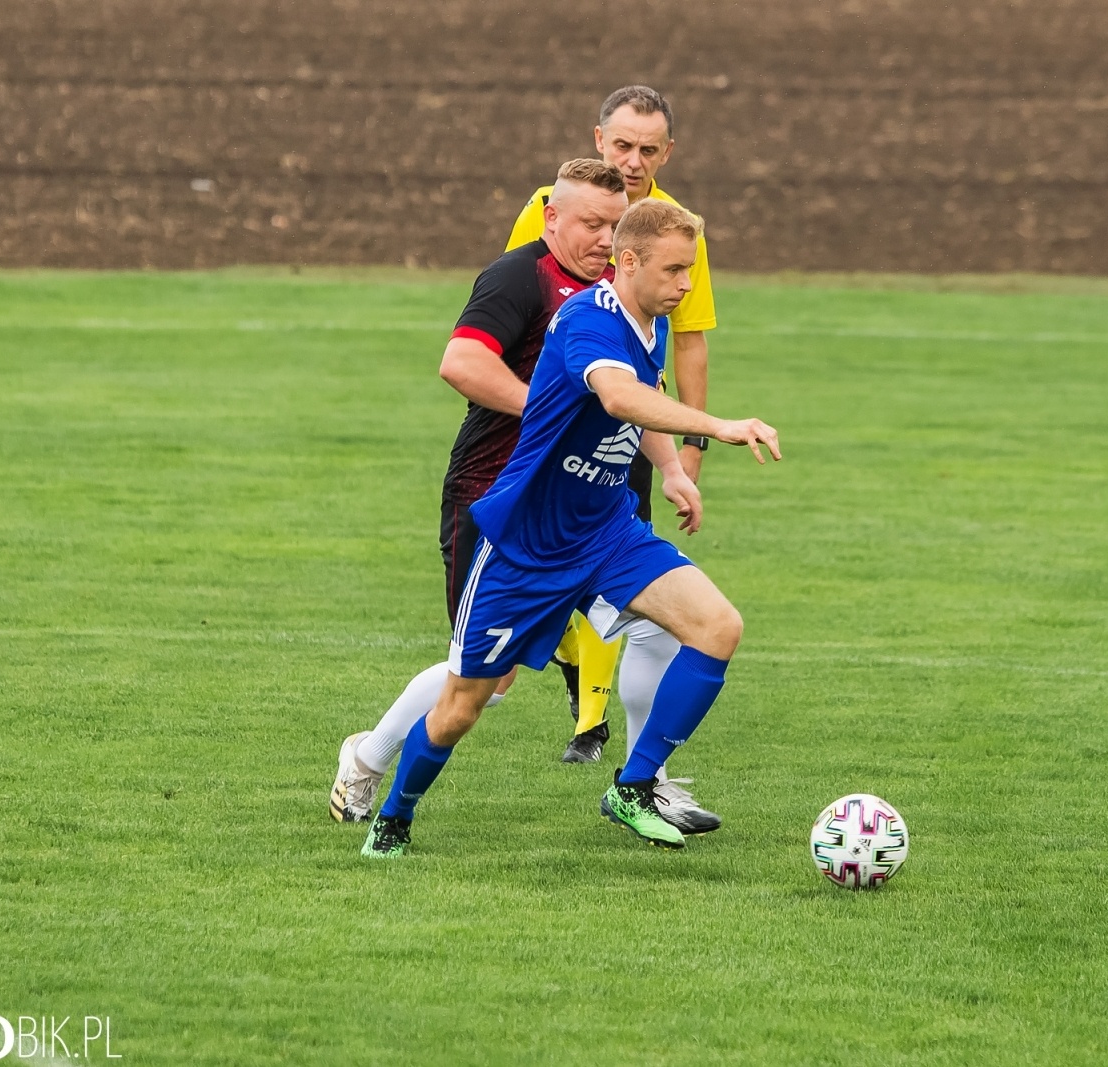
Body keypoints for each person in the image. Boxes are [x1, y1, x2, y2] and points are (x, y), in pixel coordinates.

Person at [360, 198, 779, 858]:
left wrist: (671, 471)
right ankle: (395, 811)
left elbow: (642, 405)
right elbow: (617, 395)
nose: (686, 285)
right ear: (630, 261)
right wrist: (718, 425)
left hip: (608, 531)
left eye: (690, 271)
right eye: (674, 270)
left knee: (718, 625)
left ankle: (634, 786)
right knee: (462, 707)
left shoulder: (651, 323)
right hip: (527, 547)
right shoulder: (586, 318)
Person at [327, 158, 627, 823]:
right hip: (492, 496)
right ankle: (368, 758)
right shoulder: (519, 276)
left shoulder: (615, 288)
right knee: (485, 679)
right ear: (552, 218)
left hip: (574, 506)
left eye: (616, 225)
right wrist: (546, 409)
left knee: (667, 615)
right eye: (592, 224)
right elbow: (460, 361)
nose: (606, 239)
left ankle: (644, 782)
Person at [506, 86, 717, 766]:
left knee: (633, 585)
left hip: (629, 424)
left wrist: (687, 451)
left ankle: (609, 740)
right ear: (598, 140)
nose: (632, 159)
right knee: (492, 656)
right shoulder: (552, 206)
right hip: (558, 422)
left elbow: (688, 340)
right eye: (621, 144)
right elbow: (518, 298)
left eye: (647, 149)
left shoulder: (672, 227)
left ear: (667, 153)